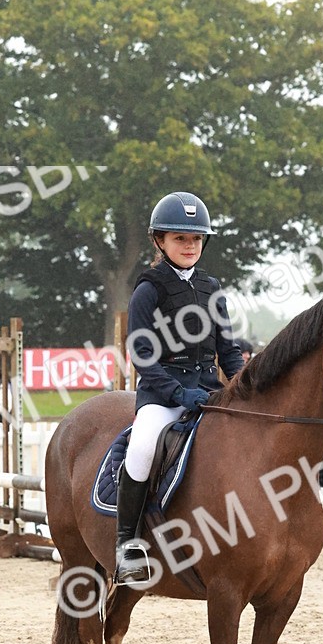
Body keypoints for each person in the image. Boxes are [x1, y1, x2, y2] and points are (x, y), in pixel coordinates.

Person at [116, 190, 244, 584]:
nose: (189, 246)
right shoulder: (148, 290)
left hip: (208, 391)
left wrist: (243, 385)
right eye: (180, 238)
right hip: (163, 395)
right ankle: (127, 545)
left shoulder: (212, 287)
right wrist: (176, 393)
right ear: (160, 241)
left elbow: (228, 350)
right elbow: (142, 356)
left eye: (195, 239)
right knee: (140, 448)